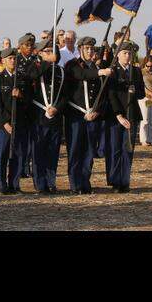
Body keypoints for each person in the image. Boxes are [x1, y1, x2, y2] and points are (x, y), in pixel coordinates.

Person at [63, 36, 111, 195]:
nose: (90, 51)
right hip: (76, 116)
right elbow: (82, 74)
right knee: (75, 150)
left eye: (92, 49)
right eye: (87, 49)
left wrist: (97, 111)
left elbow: (103, 94)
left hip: (93, 117)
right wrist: (100, 71)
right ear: (80, 50)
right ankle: (75, 183)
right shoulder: (72, 65)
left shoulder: (97, 67)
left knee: (89, 151)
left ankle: (85, 182)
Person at [0, 46, 30, 195]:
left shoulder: (22, 79)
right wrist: (5, 123)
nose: (13, 61)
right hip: (3, 125)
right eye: (10, 58)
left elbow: (28, 103)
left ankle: (14, 184)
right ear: (4, 60)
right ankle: (2, 185)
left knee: (18, 155)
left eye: (15, 58)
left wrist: (21, 96)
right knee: (2, 156)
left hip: (19, 123)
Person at [105, 42, 144, 193]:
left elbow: (141, 94)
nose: (127, 56)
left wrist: (136, 90)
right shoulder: (113, 71)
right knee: (115, 149)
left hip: (132, 114)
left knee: (128, 149)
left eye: (129, 53)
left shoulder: (136, 71)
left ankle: (124, 180)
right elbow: (111, 94)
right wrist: (119, 115)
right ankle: (115, 181)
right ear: (118, 55)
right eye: (125, 53)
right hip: (116, 116)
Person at [27, 42, 65, 195]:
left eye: (52, 51)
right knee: (39, 152)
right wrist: (46, 62)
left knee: (53, 152)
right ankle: (40, 184)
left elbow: (65, 94)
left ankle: (51, 181)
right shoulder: (35, 67)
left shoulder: (60, 72)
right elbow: (32, 76)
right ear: (40, 53)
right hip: (39, 117)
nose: (50, 53)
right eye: (46, 51)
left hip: (55, 117)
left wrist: (57, 108)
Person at [14, 33, 38, 179]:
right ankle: (20, 167)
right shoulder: (16, 61)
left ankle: (27, 166)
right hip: (20, 104)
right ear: (20, 46)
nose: (29, 48)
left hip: (33, 103)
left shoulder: (35, 60)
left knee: (30, 139)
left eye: (31, 45)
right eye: (27, 45)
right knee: (20, 140)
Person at [138, 54, 152, 146]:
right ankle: (143, 139)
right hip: (145, 97)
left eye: (151, 66)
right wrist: (150, 94)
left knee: (151, 120)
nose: (149, 68)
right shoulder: (141, 72)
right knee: (145, 120)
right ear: (144, 64)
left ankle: (150, 139)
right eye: (147, 66)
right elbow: (141, 85)